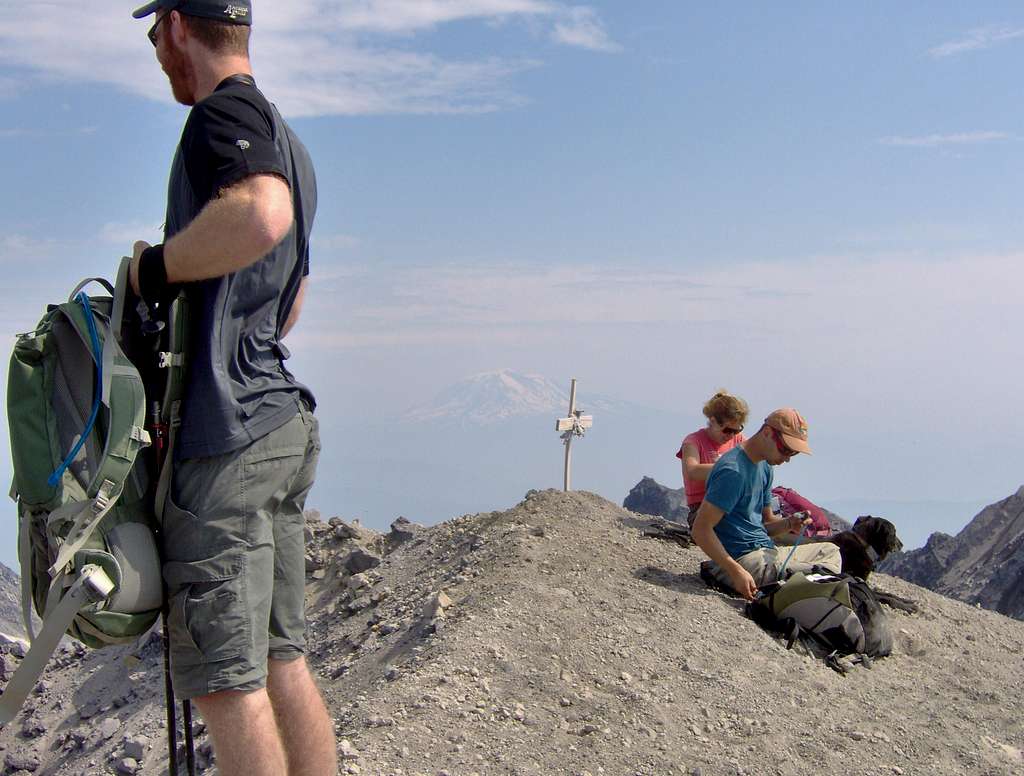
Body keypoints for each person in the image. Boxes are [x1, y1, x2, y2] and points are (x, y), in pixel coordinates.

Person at [129, 2, 336, 774]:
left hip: (223, 439)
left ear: (179, 25)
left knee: (226, 683)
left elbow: (261, 214)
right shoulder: (292, 142)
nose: (156, 52)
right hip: (280, 421)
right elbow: (291, 301)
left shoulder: (223, 115)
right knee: (283, 662)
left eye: (154, 35)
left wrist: (153, 270)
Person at [691, 408, 842, 601]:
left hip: (767, 553)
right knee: (822, 575)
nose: (787, 458)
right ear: (768, 433)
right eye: (786, 449)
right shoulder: (732, 471)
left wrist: (789, 523)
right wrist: (736, 571)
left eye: (793, 453)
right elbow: (700, 529)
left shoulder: (764, 467)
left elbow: (765, 524)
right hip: (744, 561)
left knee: (831, 551)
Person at [676, 390, 749, 527]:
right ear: (713, 421)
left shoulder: (738, 440)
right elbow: (691, 471)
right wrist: (729, 468)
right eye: (727, 430)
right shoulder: (693, 441)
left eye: (736, 430)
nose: (731, 436)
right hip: (702, 508)